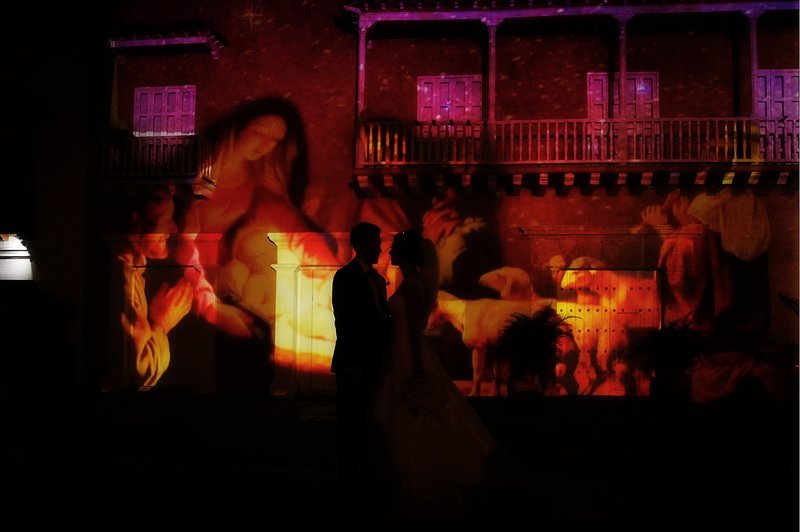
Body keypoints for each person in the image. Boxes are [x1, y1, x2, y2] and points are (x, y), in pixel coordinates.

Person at [370, 229, 523, 521]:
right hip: (401, 349)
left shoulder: (412, 285)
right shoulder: (411, 282)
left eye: (394, 249)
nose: (389, 253)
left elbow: (413, 328)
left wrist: (416, 365)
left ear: (405, 254)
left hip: (407, 351)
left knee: (413, 410)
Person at [330, 222, 392, 510]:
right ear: (360, 245)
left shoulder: (378, 280)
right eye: (376, 242)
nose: (380, 248)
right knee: (350, 424)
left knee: (371, 423)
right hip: (354, 362)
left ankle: (366, 483)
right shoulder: (344, 277)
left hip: (377, 363)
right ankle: (347, 489)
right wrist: (354, 363)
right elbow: (344, 322)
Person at [106, 190, 193, 391]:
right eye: (166, 219)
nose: (173, 228)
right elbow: (139, 374)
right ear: (136, 221)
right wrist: (162, 324)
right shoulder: (122, 276)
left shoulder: (134, 269)